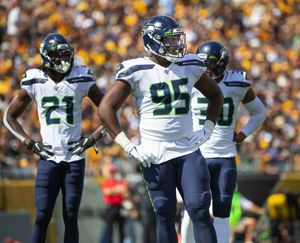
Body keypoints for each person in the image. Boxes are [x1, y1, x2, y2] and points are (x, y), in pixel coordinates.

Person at [98, 15, 224, 243]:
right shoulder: (136, 69)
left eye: (177, 39)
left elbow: (216, 95)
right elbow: (106, 108)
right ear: (152, 42)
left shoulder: (190, 64)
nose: (177, 45)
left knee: (200, 209)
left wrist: (207, 127)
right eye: (170, 40)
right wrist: (128, 146)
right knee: (164, 213)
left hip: (187, 149)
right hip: (155, 153)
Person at [3, 33, 106, 243]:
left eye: (67, 54)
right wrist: (30, 143)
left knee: (70, 216)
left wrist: (93, 137)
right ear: (48, 57)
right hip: (48, 157)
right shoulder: (35, 79)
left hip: (74, 157)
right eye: (60, 55)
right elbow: (9, 116)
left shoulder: (81, 76)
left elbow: (109, 111)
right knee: (42, 217)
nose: (66, 59)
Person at [181, 40, 267, 243]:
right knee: (191, 209)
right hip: (198, 154)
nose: (205, 68)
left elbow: (260, 113)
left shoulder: (237, 83)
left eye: (208, 63)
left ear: (219, 63)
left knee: (222, 213)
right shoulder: (190, 81)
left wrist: (242, 135)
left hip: (223, 156)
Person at [99, 163, 128, 243]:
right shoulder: (105, 182)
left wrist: (113, 190)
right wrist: (117, 190)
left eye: (114, 172)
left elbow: (124, 190)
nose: (112, 174)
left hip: (119, 206)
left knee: (121, 230)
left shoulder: (119, 181)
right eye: (111, 172)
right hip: (110, 208)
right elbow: (106, 192)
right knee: (109, 230)